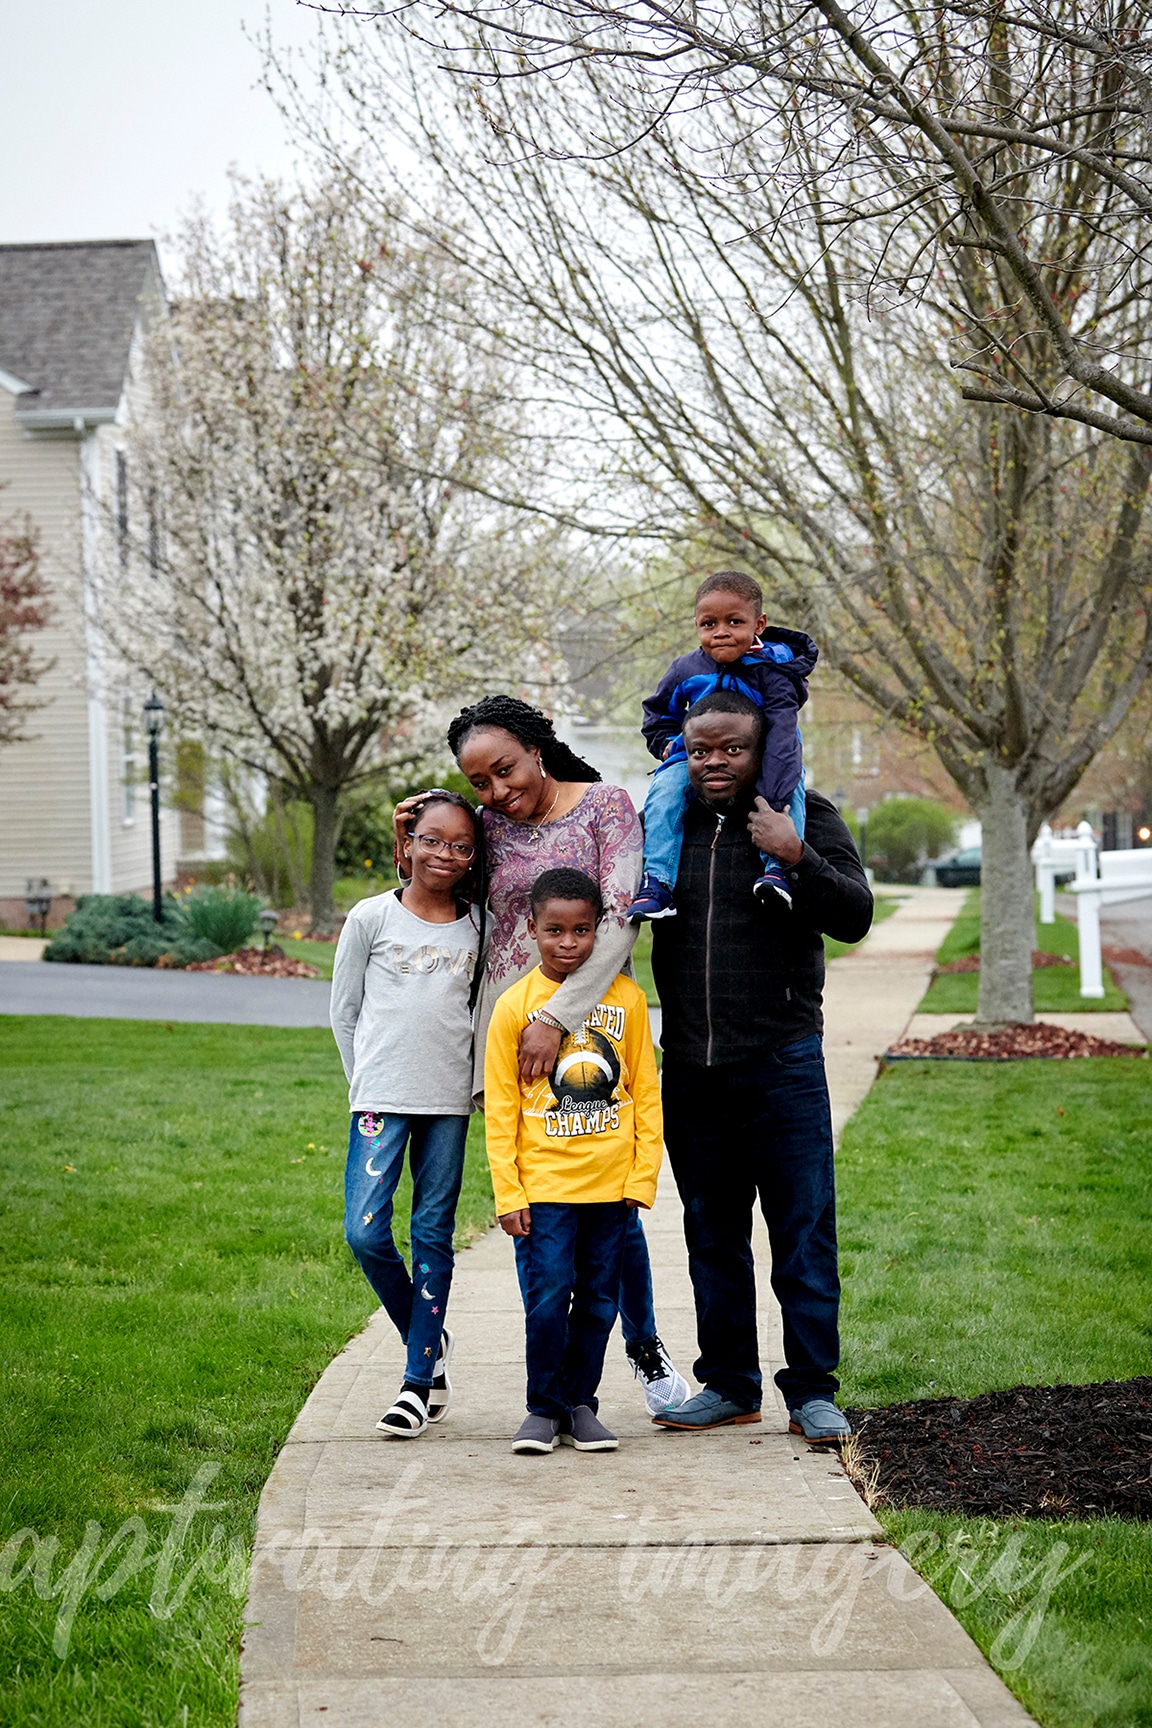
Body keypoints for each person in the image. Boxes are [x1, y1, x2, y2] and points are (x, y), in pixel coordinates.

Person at [394, 695, 689, 1415]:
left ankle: (644, 1349)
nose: (497, 792)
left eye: (505, 770)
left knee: (612, 1208)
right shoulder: (487, 827)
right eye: (481, 784)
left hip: (589, 1034)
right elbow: (437, 892)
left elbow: (621, 924)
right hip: (508, 1040)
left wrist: (556, 1017)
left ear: (536, 747)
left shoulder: (607, 808)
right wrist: (406, 839)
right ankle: (552, 1384)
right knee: (536, 1209)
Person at [648, 690, 872, 1443]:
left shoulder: (806, 812)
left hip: (783, 1065)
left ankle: (812, 1391)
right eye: (701, 749)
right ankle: (731, 1385)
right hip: (691, 1069)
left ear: (761, 748)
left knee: (802, 1236)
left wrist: (794, 853)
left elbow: (854, 915)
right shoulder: (667, 824)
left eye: (732, 749)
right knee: (712, 1237)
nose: (715, 762)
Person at [484, 867, 664, 1453]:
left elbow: (645, 1091)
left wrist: (641, 1176)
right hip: (545, 1189)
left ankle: (582, 1404)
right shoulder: (514, 1008)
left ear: (598, 931)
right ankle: (543, 1407)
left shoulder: (629, 999)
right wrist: (509, 1193)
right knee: (546, 1295)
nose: (569, 943)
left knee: (598, 1300)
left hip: (611, 1188)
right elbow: (501, 1109)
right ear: (532, 929)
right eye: (555, 930)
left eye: (582, 931)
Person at [330, 792, 484, 1440]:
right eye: (432, 839)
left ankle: (418, 1383)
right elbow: (344, 1011)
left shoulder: (478, 925)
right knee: (365, 1233)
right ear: (409, 844)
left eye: (460, 845)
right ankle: (428, 1333)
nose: (444, 854)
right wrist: (364, 1084)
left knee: (431, 1235)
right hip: (380, 1100)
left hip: (447, 1101)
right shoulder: (370, 919)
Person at [628, 571, 818, 919]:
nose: (721, 632)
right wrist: (668, 746)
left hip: (768, 755)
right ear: (696, 625)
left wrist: (772, 797)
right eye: (708, 624)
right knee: (664, 793)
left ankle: (776, 870)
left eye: (734, 621)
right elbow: (657, 712)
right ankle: (657, 882)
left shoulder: (773, 672)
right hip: (696, 757)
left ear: (759, 624)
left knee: (792, 795)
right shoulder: (686, 669)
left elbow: (782, 736)